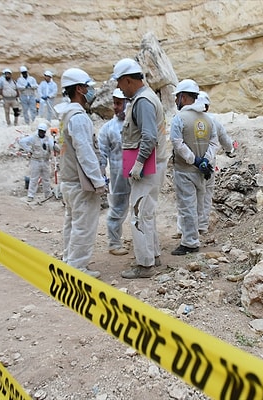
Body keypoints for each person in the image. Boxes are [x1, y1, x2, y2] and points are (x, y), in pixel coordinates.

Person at [111, 58, 169, 279]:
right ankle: (152, 256)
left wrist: (138, 164)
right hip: (154, 164)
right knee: (147, 213)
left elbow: (149, 137)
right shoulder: (145, 97)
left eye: (119, 83)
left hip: (147, 167)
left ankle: (145, 265)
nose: (118, 87)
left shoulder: (143, 101)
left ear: (127, 80)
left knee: (137, 214)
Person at [56, 67, 106, 278]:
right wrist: (99, 181)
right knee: (83, 226)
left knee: (72, 223)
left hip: (68, 180)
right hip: (80, 182)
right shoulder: (78, 118)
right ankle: (77, 268)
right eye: (88, 87)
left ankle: (69, 260)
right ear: (79, 88)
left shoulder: (66, 116)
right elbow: (85, 152)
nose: (90, 92)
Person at [169, 79, 218, 256]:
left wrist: (193, 160)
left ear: (183, 97)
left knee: (187, 206)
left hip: (185, 170)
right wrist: (205, 161)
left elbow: (177, 143)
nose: (176, 101)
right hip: (202, 171)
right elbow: (214, 143)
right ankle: (194, 235)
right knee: (198, 205)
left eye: (177, 98)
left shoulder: (179, 119)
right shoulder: (208, 119)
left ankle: (190, 242)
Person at [196, 91, 236, 234]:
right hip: (208, 163)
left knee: (187, 197)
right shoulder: (213, 121)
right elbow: (225, 140)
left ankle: (184, 228)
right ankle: (202, 227)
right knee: (206, 195)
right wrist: (230, 150)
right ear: (206, 106)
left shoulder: (186, 119)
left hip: (190, 163)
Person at [98, 88, 131, 256]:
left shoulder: (136, 123)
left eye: (119, 103)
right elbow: (102, 154)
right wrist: (102, 176)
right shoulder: (108, 128)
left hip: (137, 172)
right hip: (119, 175)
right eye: (115, 103)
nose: (115, 107)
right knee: (118, 208)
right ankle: (114, 242)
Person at [19, 122, 60, 202]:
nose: (41, 132)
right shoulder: (33, 138)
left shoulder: (48, 139)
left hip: (45, 161)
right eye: (40, 131)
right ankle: (30, 195)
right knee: (34, 178)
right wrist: (28, 150)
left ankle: (47, 194)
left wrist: (56, 148)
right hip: (36, 160)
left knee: (46, 179)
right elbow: (22, 142)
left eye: (43, 131)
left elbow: (52, 147)